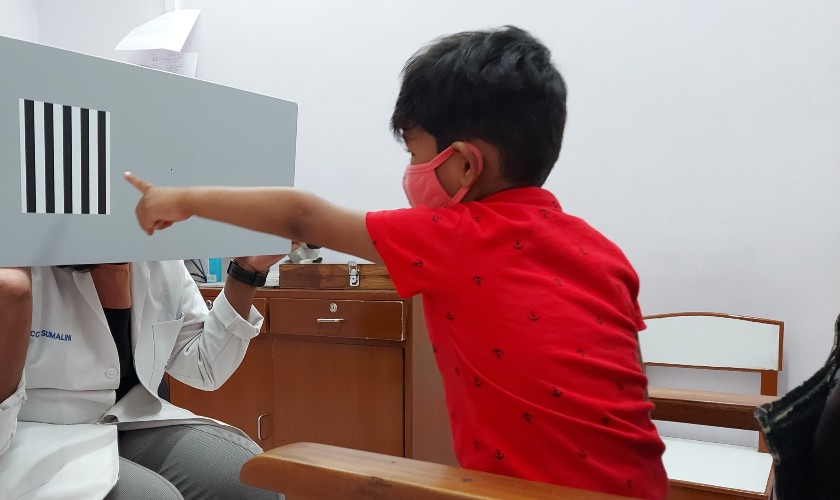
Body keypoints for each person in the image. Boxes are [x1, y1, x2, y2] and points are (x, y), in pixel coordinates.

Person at [125, 25, 668, 498]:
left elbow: (301, 214)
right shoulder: (602, 250)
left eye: (414, 153)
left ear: (462, 166)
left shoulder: (456, 236)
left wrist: (182, 199)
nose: (409, 170)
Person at [0, 183, 282, 499]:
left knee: (248, 478)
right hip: (4, 443)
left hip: (113, 425)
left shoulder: (157, 256)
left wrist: (247, 271)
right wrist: (12, 305)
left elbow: (203, 368)